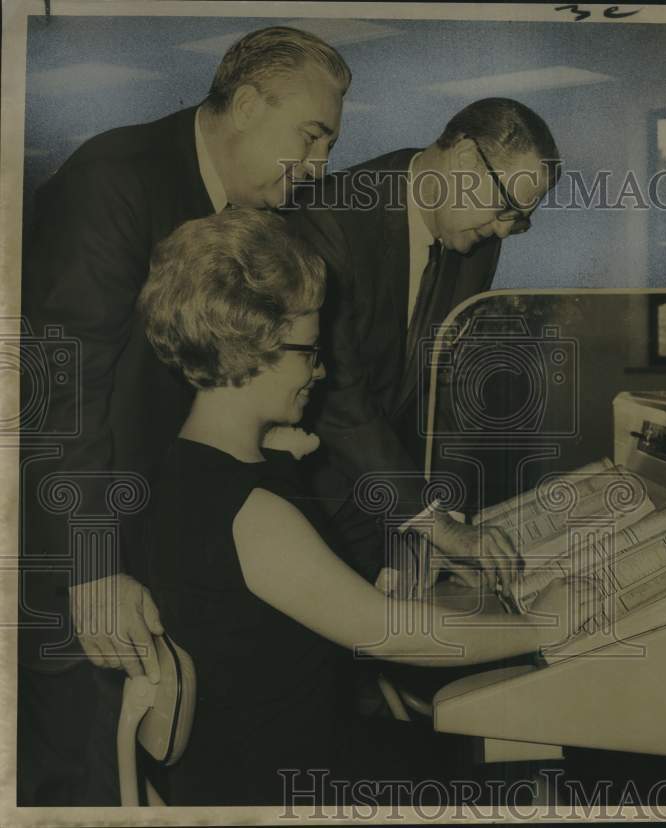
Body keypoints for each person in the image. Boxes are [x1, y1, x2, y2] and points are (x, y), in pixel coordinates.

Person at [138, 208, 592, 806]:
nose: (321, 370)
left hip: (243, 764)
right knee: (523, 773)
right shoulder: (249, 509)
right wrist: (549, 624)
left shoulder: (184, 468)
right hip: (279, 785)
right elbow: (385, 636)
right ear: (251, 349)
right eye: (309, 350)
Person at [18, 26, 349, 805]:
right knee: (94, 785)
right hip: (76, 555)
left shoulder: (240, 213)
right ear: (243, 104)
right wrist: (93, 565)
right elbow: (57, 393)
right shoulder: (116, 182)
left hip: (144, 538)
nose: (321, 164)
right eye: (312, 135)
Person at [285, 98, 562, 588]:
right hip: (306, 495)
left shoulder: (474, 234)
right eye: (505, 209)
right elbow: (338, 396)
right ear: (463, 158)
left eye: (519, 220)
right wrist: (436, 526)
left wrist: (445, 514)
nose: (503, 230)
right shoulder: (332, 217)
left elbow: (448, 380)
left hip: (391, 497)